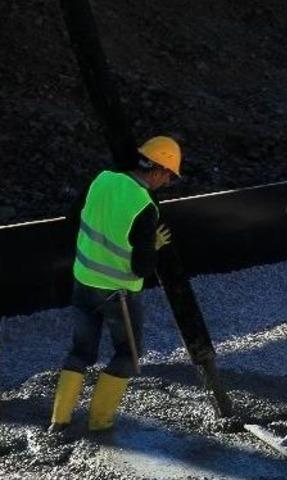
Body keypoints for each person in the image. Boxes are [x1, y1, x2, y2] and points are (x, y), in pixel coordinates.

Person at [49, 136, 180, 433]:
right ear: (158, 171)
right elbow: (142, 268)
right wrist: (154, 245)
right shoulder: (144, 207)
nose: (167, 183)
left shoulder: (102, 180)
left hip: (83, 282)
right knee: (127, 355)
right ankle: (100, 422)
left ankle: (59, 419)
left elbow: (73, 219)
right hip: (118, 294)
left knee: (81, 351)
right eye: (169, 177)